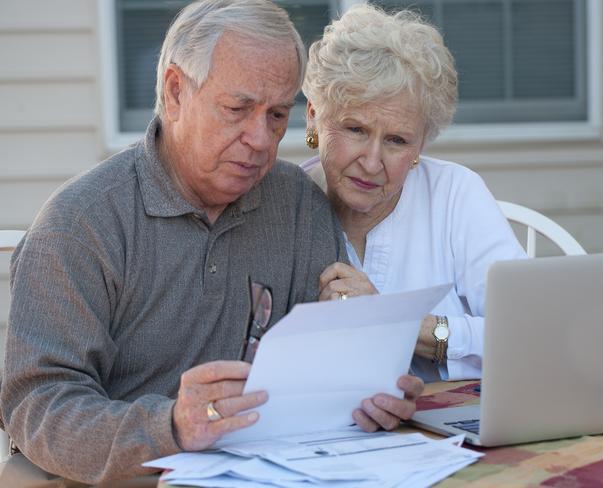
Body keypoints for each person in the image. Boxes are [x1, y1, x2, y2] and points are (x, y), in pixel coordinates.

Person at [0, 1, 423, 484]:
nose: (261, 138)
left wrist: (365, 393)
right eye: (237, 109)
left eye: (277, 114)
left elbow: (318, 376)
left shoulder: (299, 206)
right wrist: (172, 427)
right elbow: (38, 406)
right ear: (176, 91)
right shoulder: (80, 224)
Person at [301, 4, 527, 387]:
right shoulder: (285, 207)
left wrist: (397, 323)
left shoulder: (456, 194)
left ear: (421, 143)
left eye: (397, 140)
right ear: (313, 118)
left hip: (459, 423)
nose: (372, 162)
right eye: (355, 129)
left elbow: (528, 330)